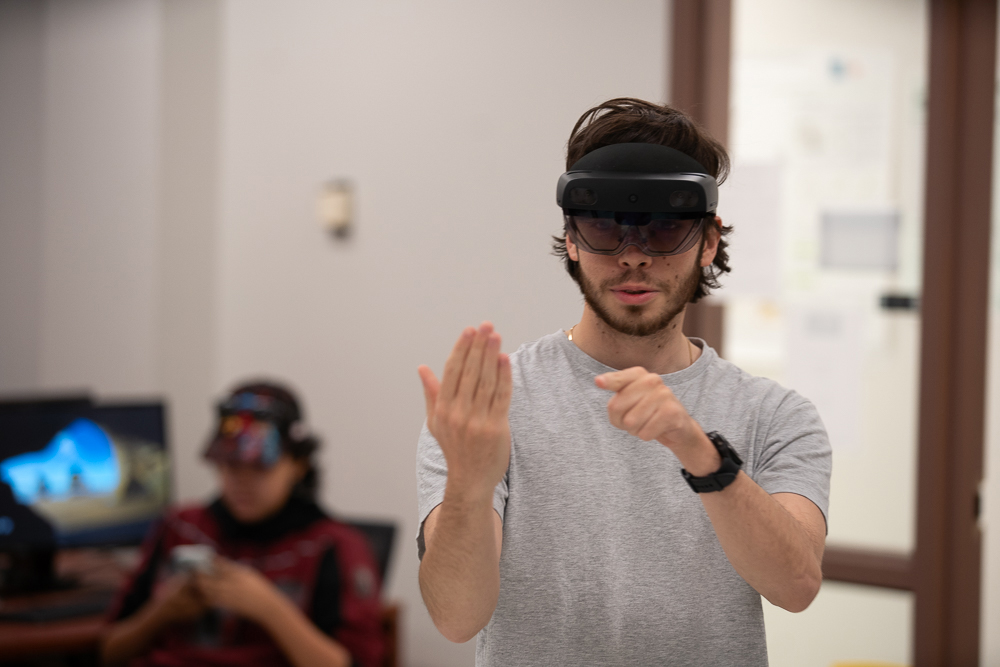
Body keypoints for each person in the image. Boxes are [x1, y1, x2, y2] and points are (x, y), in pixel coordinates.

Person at [415, 98, 832, 666]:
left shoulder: (775, 415)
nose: (633, 258)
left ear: (709, 243)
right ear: (572, 240)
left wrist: (702, 454)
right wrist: (468, 483)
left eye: (664, 231)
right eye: (605, 228)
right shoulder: (492, 406)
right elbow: (457, 618)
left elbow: (797, 585)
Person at [102, 381, 384, 667]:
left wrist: (270, 610)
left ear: (298, 465)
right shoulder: (180, 526)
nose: (242, 481)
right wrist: (161, 612)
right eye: (231, 465)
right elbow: (109, 650)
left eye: (261, 467)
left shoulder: (333, 545)